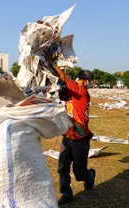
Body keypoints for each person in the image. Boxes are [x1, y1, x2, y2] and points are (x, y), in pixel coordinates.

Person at [47, 55, 96, 206]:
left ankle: (89, 176)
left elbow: (65, 78)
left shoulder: (82, 92)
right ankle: (66, 193)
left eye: (83, 80)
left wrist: (52, 63)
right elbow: (62, 91)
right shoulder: (72, 93)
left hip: (80, 139)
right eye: (79, 79)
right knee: (62, 166)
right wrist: (56, 80)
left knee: (79, 174)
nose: (79, 81)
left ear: (87, 83)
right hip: (68, 135)